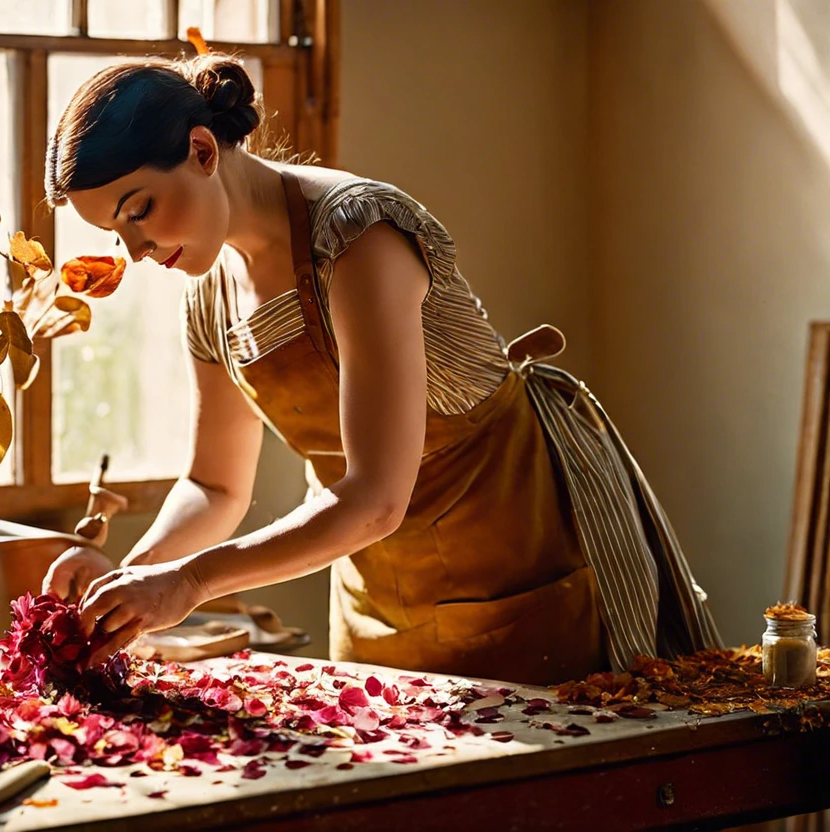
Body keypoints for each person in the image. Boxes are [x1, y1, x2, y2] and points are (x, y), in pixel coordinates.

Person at [41, 54, 721, 685]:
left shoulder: (357, 237)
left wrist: (189, 584)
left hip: (519, 566)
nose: (134, 250)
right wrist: (129, 580)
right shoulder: (209, 299)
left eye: (139, 211)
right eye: (115, 232)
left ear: (201, 150)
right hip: (378, 591)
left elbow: (375, 497)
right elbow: (216, 485)